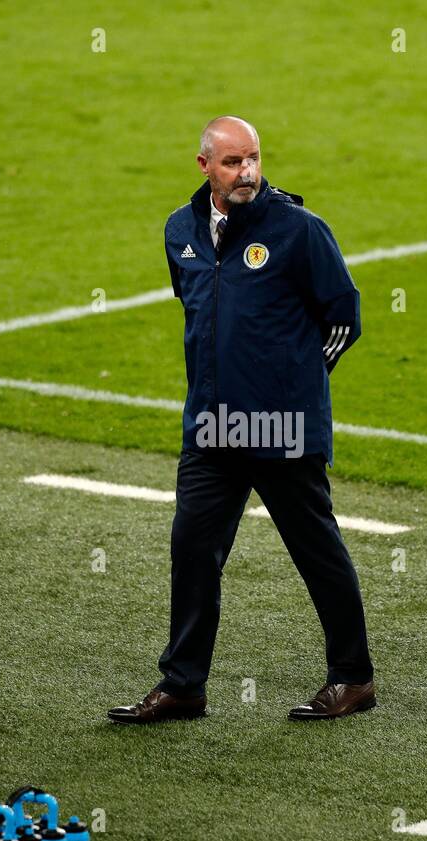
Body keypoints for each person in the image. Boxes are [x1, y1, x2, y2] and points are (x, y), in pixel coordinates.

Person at [109, 116, 375, 725]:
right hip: (211, 428)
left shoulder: (299, 230)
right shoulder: (180, 231)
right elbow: (198, 310)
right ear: (204, 166)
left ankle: (353, 678)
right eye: (233, 162)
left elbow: (343, 318)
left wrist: (295, 386)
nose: (247, 172)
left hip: (281, 428)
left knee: (316, 550)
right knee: (192, 548)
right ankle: (183, 686)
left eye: (253, 158)